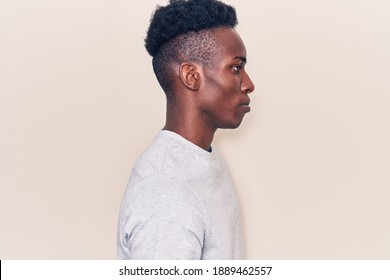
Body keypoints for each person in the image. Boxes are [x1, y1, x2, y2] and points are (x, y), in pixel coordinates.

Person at [117, 0, 255, 259]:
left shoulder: (205, 158)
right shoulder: (164, 196)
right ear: (192, 76)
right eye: (236, 68)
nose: (248, 84)